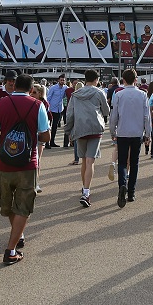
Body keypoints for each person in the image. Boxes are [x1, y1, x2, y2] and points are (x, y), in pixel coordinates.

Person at [0, 74, 50, 265]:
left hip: (5, 162)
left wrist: (8, 139)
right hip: (27, 163)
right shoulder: (37, 105)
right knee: (23, 206)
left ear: (13, 86)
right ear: (32, 89)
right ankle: (11, 249)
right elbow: (46, 136)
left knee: (8, 205)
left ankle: (18, 235)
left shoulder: (2, 103)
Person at [62, 69, 110, 207]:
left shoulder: (75, 94)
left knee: (83, 161)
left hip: (80, 128)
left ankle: (85, 187)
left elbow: (69, 114)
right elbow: (106, 110)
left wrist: (68, 130)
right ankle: (86, 192)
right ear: (96, 79)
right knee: (90, 161)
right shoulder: (99, 92)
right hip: (95, 127)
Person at [110, 69, 151, 206]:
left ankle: (122, 184)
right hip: (137, 133)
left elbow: (114, 115)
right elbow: (146, 116)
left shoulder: (119, 94)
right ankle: (132, 192)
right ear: (135, 79)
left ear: (123, 79)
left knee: (122, 162)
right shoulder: (143, 95)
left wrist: (112, 132)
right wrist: (148, 134)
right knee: (134, 163)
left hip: (122, 132)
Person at [30, 83, 51, 193]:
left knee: (37, 159)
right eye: (31, 92)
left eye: (34, 93)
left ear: (39, 94)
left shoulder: (43, 104)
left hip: (39, 134)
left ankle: (36, 183)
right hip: (30, 133)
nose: (32, 94)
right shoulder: (28, 103)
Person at [46, 74, 69, 149]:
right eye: (61, 80)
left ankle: (52, 141)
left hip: (59, 109)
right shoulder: (53, 88)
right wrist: (47, 108)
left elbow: (69, 93)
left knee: (55, 126)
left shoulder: (65, 88)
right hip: (52, 109)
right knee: (48, 126)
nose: (62, 81)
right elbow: (48, 98)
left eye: (63, 80)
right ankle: (47, 142)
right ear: (58, 80)